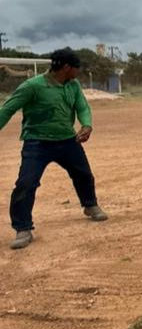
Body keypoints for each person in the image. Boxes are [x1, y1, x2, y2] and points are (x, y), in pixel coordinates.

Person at [0, 48, 108, 250]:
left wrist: (86, 125)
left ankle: (90, 205)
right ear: (66, 67)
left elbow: (82, 107)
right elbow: (8, 109)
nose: (78, 72)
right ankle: (23, 228)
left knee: (83, 174)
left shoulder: (73, 85)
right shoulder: (32, 86)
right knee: (26, 183)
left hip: (67, 140)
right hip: (37, 143)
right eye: (76, 68)